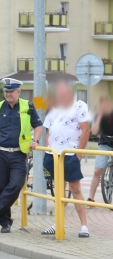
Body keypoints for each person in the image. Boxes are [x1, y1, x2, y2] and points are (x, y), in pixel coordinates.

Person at [0, 78, 42, 233]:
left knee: (16, 185)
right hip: (0, 154)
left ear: (18, 92)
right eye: (6, 91)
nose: (8, 94)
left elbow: (38, 124)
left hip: (19, 154)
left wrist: (35, 140)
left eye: (11, 91)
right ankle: (5, 223)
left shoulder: (27, 106)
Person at [39, 82, 90, 238]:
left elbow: (85, 129)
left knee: (75, 189)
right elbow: (49, 131)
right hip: (54, 154)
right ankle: (58, 223)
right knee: (58, 191)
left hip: (70, 154)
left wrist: (78, 154)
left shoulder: (79, 105)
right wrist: (48, 149)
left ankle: (84, 226)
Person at [88, 95, 113, 204]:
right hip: (104, 143)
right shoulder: (99, 115)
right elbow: (94, 131)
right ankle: (90, 198)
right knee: (97, 171)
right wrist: (99, 115)